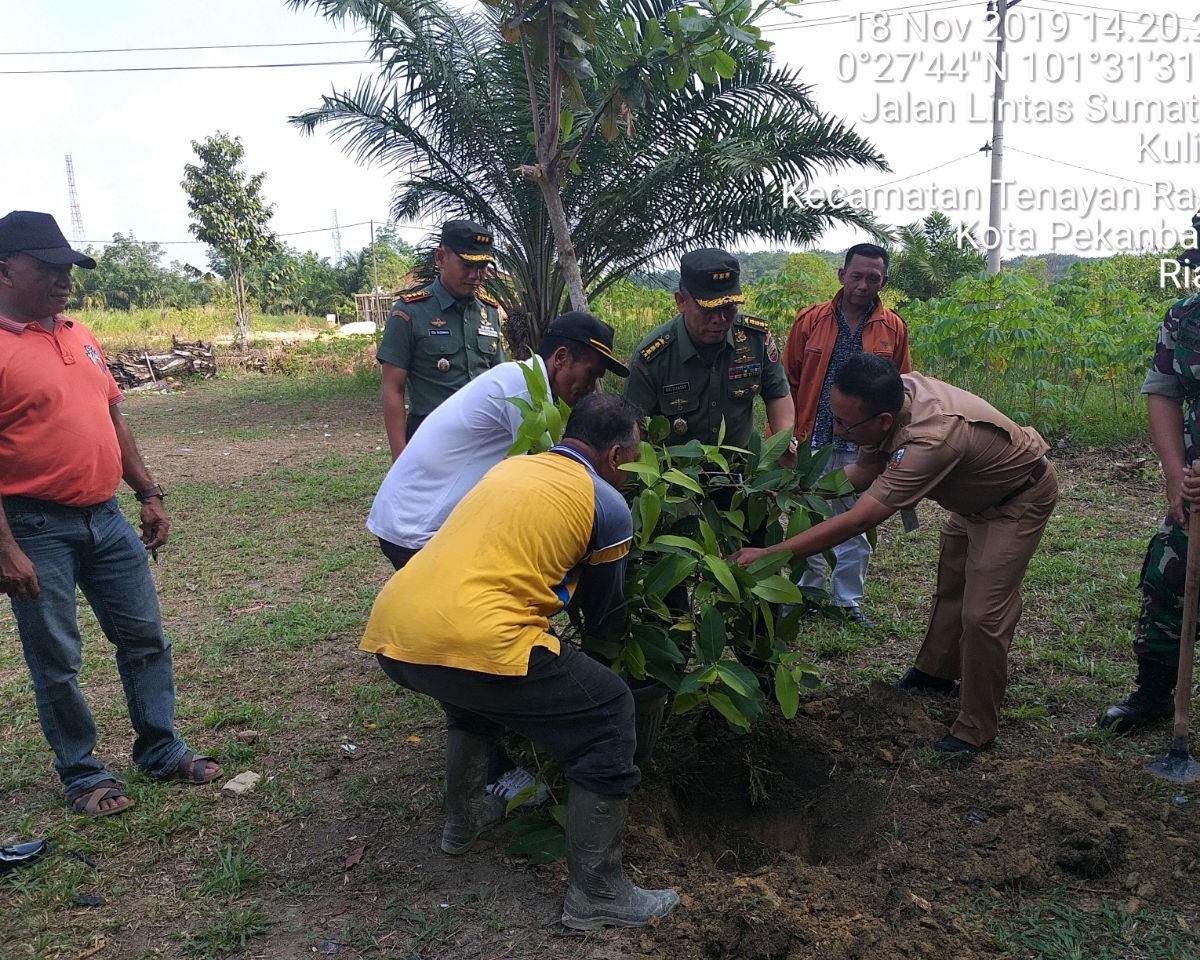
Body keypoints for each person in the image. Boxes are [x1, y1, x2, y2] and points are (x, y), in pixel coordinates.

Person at [360, 394, 680, 930]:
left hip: (396, 628)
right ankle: (597, 894)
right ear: (618, 456)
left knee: (474, 697)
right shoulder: (607, 503)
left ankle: (462, 824)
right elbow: (604, 620)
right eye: (634, 461)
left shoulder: (510, 469)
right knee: (608, 715)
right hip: (476, 636)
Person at [0, 210, 220, 817]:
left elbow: (113, 421)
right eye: (46, 266)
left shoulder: (80, 333)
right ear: (4, 269)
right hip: (33, 525)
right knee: (57, 660)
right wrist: (6, 547)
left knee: (145, 637)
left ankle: (158, 748)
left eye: (67, 265)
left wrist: (147, 492)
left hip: (105, 517)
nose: (62, 277)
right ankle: (82, 773)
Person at [730, 354, 1058, 756]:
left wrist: (772, 554)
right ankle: (934, 674)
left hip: (1015, 500)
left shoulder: (932, 437)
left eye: (845, 425)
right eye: (834, 416)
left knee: (983, 614)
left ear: (883, 421)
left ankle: (976, 728)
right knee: (952, 584)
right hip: (971, 499)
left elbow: (860, 519)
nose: (837, 430)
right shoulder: (887, 396)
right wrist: (793, 487)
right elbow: (865, 472)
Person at [368, 311, 630, 801]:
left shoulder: (525, 383)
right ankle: (499, 770)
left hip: (423, 517)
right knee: (480, 643)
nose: (590, 387)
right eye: (590, 373)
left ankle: (487, 761)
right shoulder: (523, 391)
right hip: (419, 525)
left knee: (477, 637)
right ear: (560, 357)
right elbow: (569, 475)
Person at [784, 243, 911, 627]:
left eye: (873, 278)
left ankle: (846, 602)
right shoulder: (811, 321)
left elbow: (902, 387)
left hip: (865, 445)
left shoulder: (893, 328)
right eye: (856, 276)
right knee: (810, 516)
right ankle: (806, 593)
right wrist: (785, 435)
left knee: (857, 520)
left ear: (883, 281)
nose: (863, 285)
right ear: (842, 275)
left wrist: (893, 443)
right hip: (814, 437)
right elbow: (787, 381)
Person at [1099, 288, 1200, 732]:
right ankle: (1156, 694)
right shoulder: (1185, 315)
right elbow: (1164, 392)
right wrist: (1175, 474)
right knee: (1170, 577)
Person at [624, 248, 794, 455]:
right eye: (708, 308)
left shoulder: (755, 339)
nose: (720, 319)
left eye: (729, 307)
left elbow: (777, 393)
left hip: (742, 475)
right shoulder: (653, 357)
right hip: (676, 477)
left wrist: (784, 444)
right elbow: (634, 429)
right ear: (681, 301)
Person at [377, 219, 506, 459]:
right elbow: (393, 389)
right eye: (466, 265)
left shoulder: (488, 313)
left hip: (482, 439)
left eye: (482, 267)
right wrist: (400, 457)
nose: (475, 275)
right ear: (440, 258)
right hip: (430, 438)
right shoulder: (409, 313)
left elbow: (499, 379)